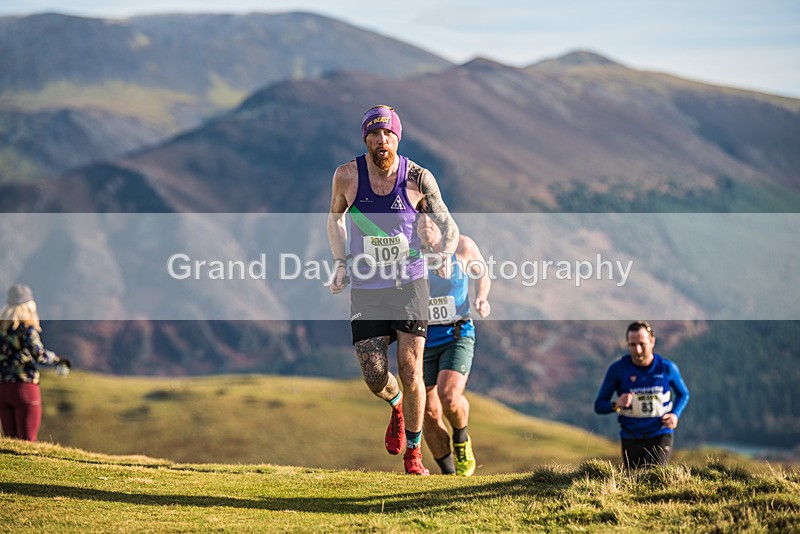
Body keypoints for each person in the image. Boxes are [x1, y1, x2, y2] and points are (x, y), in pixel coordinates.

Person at [328, 105, 459, 475]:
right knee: (373, 374)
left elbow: (448, 226)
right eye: (374, 134)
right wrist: (340, 262)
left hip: (411, 282)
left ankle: (414, 454)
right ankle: (397, 406)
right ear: (365, 139)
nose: (381, 140)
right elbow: (335, 220)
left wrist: (447, 254)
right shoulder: (347, 176)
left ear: (397, 138)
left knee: (411, 367)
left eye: (388, 134)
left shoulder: (418, 178)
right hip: (368, 286)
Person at [417, 214, 491, 476]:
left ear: (441, 220)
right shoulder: (410, 253)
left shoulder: (462, 246)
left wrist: (481, 298)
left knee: (449, 397)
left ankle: (461, 440)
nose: (424, 220)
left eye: (430, 215)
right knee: (427, 412)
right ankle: (449, 475)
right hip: (421, 338)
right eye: (418, 216)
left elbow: (483, 274)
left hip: (456, 333)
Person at [594, 321, 690, 469]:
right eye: (632, 345)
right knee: (634, 483)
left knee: (652, 475)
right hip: (630, 437)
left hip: (660, 434)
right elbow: (599, 405)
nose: (637, 350)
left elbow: (683, 394)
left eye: (642, 344)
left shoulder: (667, 368)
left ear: (652, 342)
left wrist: (675, 414)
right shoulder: (618, 369)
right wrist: (616, 404)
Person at [0, 284, 71, 441]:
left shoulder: (1, 328)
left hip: (2, 388)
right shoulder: (25, 328)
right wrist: (58, 360)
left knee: (11, 444)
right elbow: (39, 354)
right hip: (24, 387)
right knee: (27, 442)